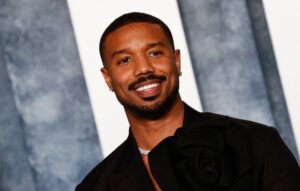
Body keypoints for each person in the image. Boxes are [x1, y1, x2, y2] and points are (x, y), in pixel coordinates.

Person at [75, 12, 300, 191]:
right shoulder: (95, 186)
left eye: (154, 53)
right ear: (108, 78)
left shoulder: (257, 144)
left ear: (176, 61)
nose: (143, 69)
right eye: (125, 60)